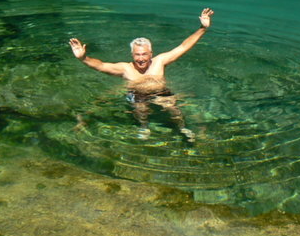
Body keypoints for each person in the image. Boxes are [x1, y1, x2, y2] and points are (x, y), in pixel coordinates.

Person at [69, 8, 214, 141]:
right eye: (137, 55)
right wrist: (83, 58)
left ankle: (182, 128)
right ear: (132, 55)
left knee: (173, 109)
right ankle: (144, 127)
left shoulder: (160, 61)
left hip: (161, 91)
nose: (141, 58)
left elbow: (183, 46)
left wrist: (202, 29)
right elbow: (101, 65)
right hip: (137, 93)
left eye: (144, 54)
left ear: (151, 53)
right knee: (140, 109)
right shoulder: (125, 68)